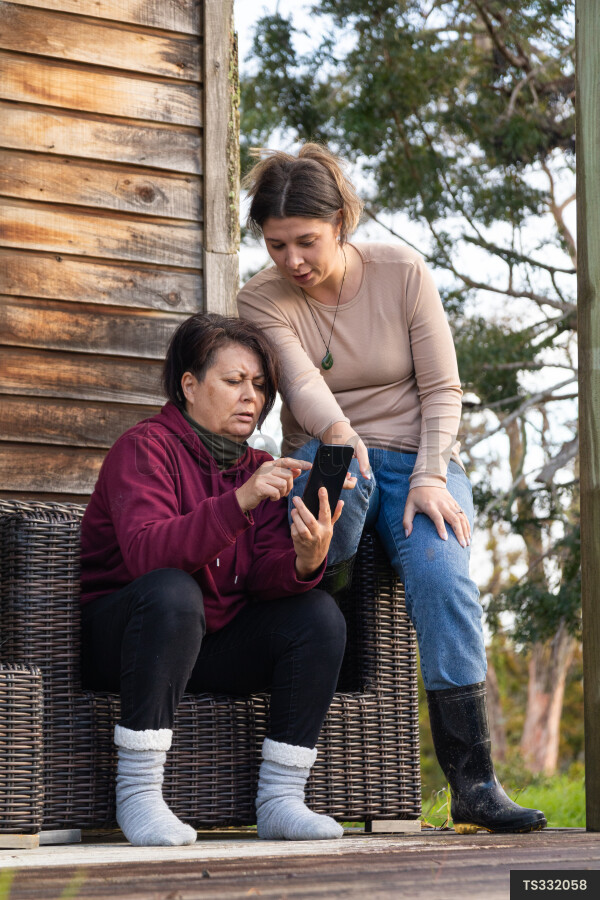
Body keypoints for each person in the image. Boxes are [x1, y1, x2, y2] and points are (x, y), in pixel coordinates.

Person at [237, 143, 547, 835]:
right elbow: (302, 382)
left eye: (307, 242)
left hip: (419, 458)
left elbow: (443, 388)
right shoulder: (261, 296)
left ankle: (472, 784)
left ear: (341, 222)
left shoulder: (401, 271)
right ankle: (307, 755)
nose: (292, 260)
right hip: (328, 447)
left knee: (444, 578)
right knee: (324, 549)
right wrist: (345, 444)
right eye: (276, 243)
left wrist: (432, 474)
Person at [80, 313, 348, 847]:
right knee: (173, 592)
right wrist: (240, 500)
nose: (251, 396)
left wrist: (304, 559)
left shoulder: (261, 463)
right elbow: (147, 554)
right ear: (189, 385)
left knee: (318, 614)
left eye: (259, 385)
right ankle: (138, 795)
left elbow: (263, 580)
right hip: (130, 640)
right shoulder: (145, 448)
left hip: (209, 642)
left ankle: (280, 801)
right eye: (234, 381)